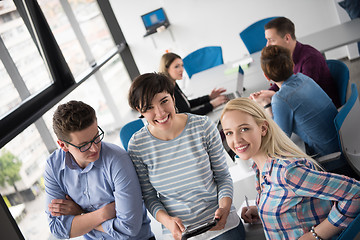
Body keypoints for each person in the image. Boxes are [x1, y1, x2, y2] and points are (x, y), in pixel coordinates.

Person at [220, 97, 360, 240]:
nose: (236, 140)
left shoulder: (286, 173)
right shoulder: (259, 167)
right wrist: (262, 212)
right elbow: (292, 202)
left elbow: (355, 193)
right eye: (229, 133)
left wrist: (314, 236)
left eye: (244, 129)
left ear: (263, 128)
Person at [127, 73, 245, 240]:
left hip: (220, 224)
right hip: (180, 233)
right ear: (140, 111)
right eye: (149, 108)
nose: (160, 113)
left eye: (164, 101)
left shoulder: (203, 127)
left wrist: (225, 208)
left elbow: (223, 176)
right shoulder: (137, 146)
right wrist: (167, 221)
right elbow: (149, 196)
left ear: (173, 98)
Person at [44, 100, 154, 240]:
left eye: (96, 137)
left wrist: (80, 215)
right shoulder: (53, 167)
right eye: (84, 145)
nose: (95, 148)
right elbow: (57, 229)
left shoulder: (117, 160)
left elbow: (129, 228)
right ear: (63, 145)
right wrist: (104, 213)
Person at [251, 45, 339, 159]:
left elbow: (279, 140)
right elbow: (292, 98)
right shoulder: (303, 78)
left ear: (267, 76)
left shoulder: (281, 100)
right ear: (292, 64)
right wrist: (274, 96)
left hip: (329, 156)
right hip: (341, 142)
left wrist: (266, 104)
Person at [251, 16, 340, 108]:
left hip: (323, 109)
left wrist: (273, 96)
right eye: (267, 40)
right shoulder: (284, 58)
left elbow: (302, 95)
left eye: (271, 40)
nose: (267, 45)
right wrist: (264, 93)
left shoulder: (310, 59)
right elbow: (283, 82)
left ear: (287, 38)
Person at [159, 52, 228, 115]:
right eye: (177, 66)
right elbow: (187, 116)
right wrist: (212, 104)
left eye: (182, 66)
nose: (181, 69)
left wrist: (209, 97)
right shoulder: (168, 91)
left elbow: (187, 104)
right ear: (166, 69)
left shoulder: (173, 84)